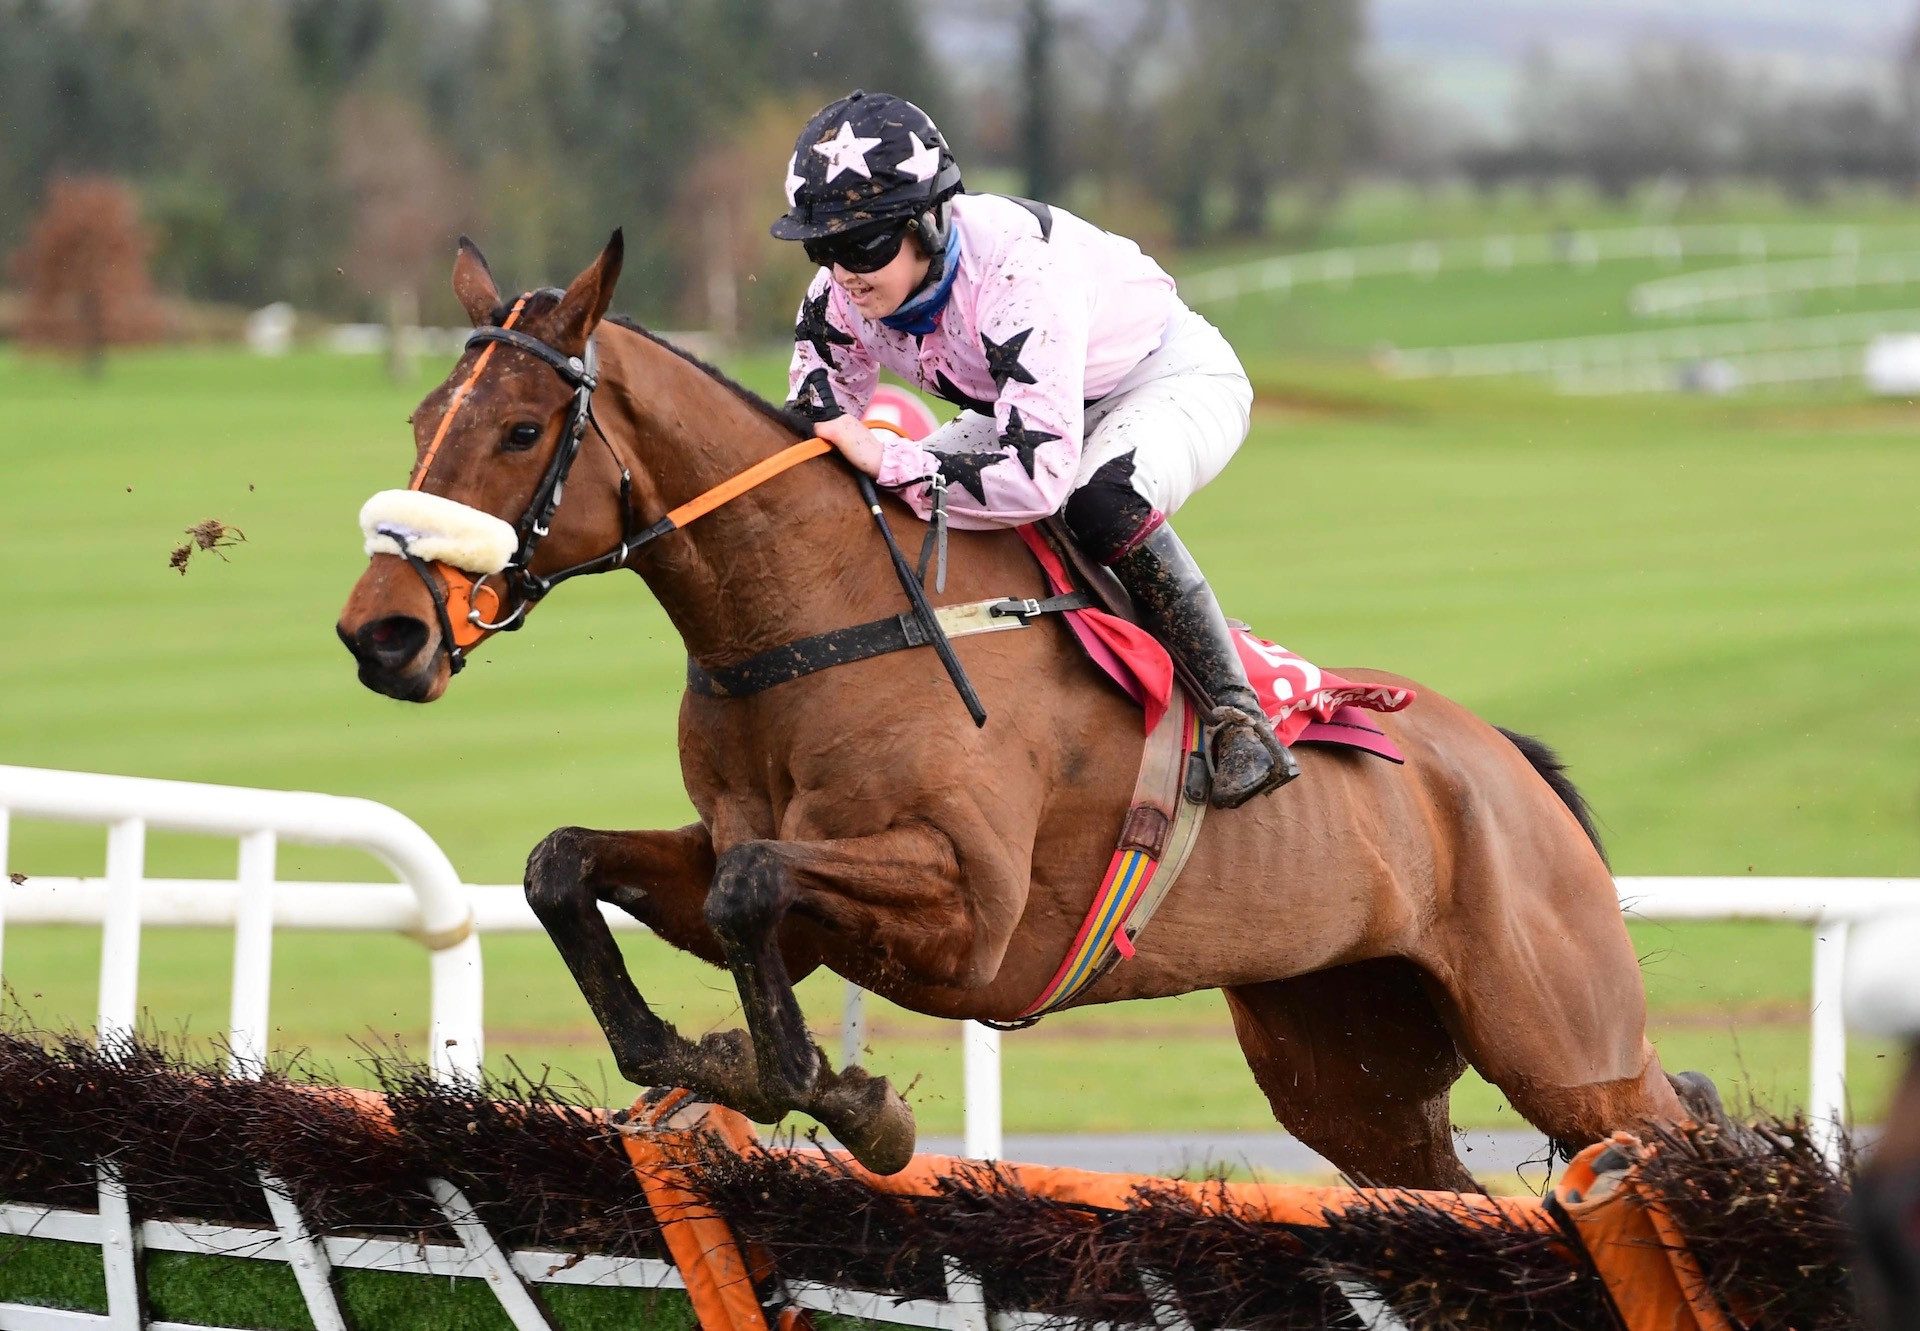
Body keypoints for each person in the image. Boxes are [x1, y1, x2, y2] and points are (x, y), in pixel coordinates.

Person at [771, 90, 1297, 809]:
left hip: (1162, 377)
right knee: (895, 503)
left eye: (862, 245)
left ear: (928, 221)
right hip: (1025, 407)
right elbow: (815, 426)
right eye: (822, 247)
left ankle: (1240, 719)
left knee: (1097, 500)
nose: (843, 272)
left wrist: (891, 457)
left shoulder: (1017, 273)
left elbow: (1038, 476)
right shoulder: (840, 294)